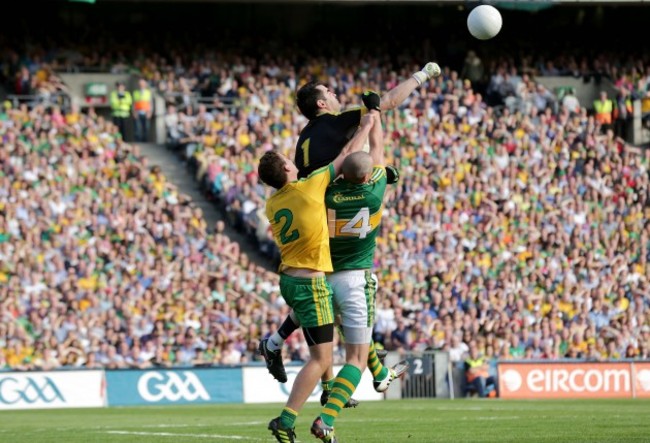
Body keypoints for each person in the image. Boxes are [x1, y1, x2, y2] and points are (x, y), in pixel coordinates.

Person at [258, 61, 441, 401]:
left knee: (331, 300)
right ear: (321, 105)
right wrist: (421, 76)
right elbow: (383, 106)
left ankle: (352, 372)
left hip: (319, 217)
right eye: (330, 92)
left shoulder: (304, 140)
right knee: (340, 299)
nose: (336, 93)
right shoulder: (334, 123)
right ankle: (344, 374)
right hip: (336, 215)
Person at [259, 113, 378, 443]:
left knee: (327, 339)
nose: (292, 160)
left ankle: (285, 355)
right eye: (288, 160)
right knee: (321, 357)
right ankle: (286, 420)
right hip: (310, 282)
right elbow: (344, 159)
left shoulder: (274, 202)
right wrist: (366, 127)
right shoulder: (309, 189)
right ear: (285, 170)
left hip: (293, 279)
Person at [311, 106, 408, 441]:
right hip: (357, 278)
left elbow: (350, 155)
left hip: (323, 277)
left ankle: (381, 376)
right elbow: (375, 151)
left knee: (355, 341)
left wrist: (362, 127)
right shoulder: (373, 190)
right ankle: (326, 419)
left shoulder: (328, 193)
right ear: (368, 177)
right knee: (355, 358)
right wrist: (376, 118)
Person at [133, 77, 154, 142]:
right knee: (138, 129)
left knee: (146, 129)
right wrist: (134, 112)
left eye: (143, 84)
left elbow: (151, 103)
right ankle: (138, 142)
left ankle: (145, 142)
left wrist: (150, 112)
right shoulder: (135, 92)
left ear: (145, 84)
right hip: (138, 112)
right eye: (140, 84)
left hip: (146, 113)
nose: (141, 85)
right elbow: (134, 103)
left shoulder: (148, 92)